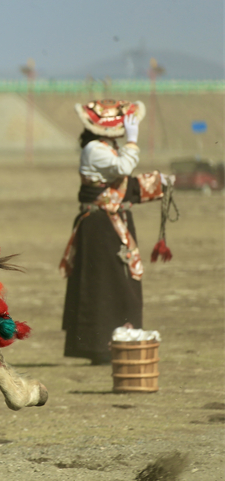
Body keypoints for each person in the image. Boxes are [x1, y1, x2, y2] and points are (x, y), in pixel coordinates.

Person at [60, 100, 174, 365]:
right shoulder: (94, 150)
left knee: (118, 283)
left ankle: (119, 341)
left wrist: (158, 183)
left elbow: (119, 186)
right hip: (100, 227)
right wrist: (133, 142)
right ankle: (100, 347)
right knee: (103, 284)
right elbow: (123, 169)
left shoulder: (106, 148)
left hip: (111, 224)